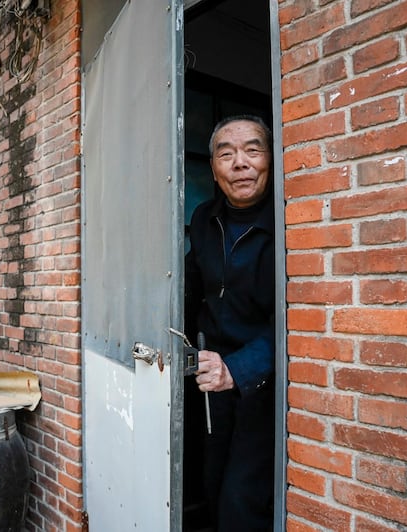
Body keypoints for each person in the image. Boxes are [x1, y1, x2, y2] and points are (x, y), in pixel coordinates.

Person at [185, 115, 275, 531]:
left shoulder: (290, 220)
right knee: (210, 482)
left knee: (244, 499)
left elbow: (297, 320)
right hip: (210, 376)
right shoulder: (205, 217)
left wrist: (237, 370)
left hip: (264, 379)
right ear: (214, 170)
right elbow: (189, 281)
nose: (241, 163)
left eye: (252, 150)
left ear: (271, 160)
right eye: (227, 154)